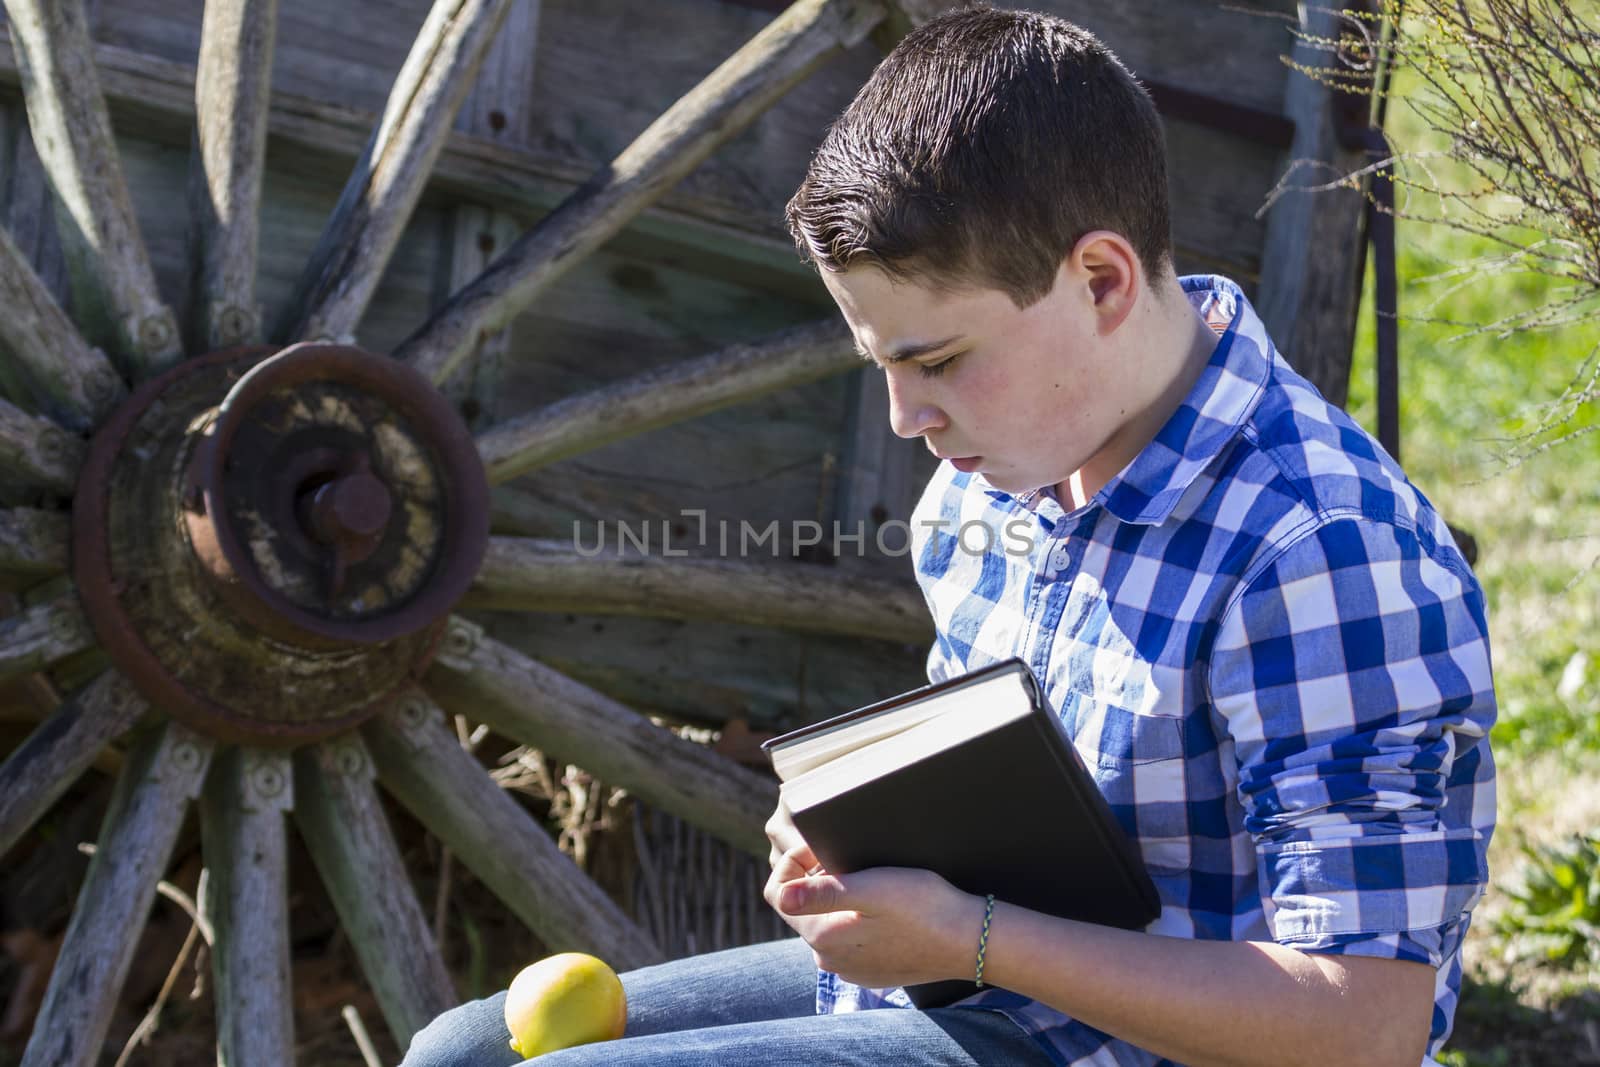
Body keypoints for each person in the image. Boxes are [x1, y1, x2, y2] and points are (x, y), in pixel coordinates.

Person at [402, 6, 1497, 1065]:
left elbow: (1364, 1027)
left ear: (1102, 280)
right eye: (880, 365)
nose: (904, 418)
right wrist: (850, 842)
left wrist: (969, 935)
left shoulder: (1320, 551)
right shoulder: (992, 481)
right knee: (462, 1051)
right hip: (979, 998)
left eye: (935, 361)